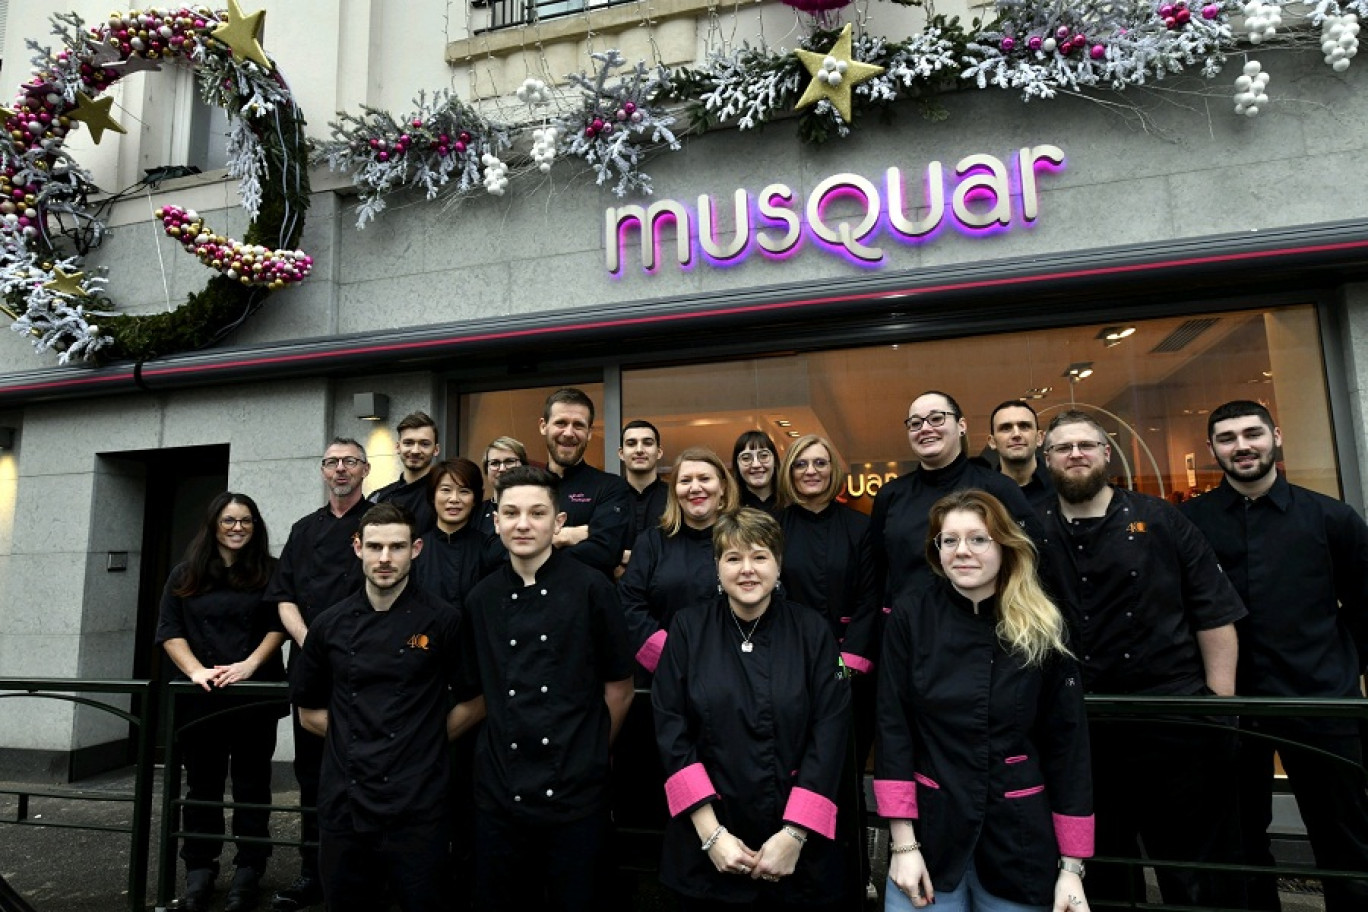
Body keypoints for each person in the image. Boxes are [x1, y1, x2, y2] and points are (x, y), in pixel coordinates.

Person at [1037, 409, 1246, 909]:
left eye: (1086, 445)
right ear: (1048, 461)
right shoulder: (1031, 529)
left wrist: (1220, 709)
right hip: (1081, 732)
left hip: (1171, 724)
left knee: (1189, 872)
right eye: (1063, 448)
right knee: (1103, 870)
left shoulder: (1162, 520)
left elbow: (1213, 614)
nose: (1075, 455)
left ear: (1107, 454)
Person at [1180, 400, 1368, 911]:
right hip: (1230, 708)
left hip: (1320, 703)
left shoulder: (1330, 517)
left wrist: (1345, 674)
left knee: (1346, 840)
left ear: (1276, 437)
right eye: (1227, 438)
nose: (1242, 446)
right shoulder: (1190, 524)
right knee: (1240, 843)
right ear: (1213, 448)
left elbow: (1364, 606)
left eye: (1252, 434)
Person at [875, 489, 1093, 912]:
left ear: (1004, 545)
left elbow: (1069, 749)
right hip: (929, 838)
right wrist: (903, 845)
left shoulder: (1044, 624)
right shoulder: (911, 615)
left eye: (978, 538)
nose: (962, 551)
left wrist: (1072, 868)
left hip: (1019, 841)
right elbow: (892, 728)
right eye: (949, 540)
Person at [653, 508, 852, 910]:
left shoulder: (813, 631)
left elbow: (830, 736)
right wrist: (712, 835)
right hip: (706, 847)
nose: (747, 570)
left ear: (779, 565)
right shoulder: (688, 629)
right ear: (717, 567)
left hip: (798, 853)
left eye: (759, 557)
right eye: (733, 558)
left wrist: (794, 835)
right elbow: (671, 731)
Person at [292, 503, 485, 912]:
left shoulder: (444, 621)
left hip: (420, 803)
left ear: (416, 549)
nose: (385, 558)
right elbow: (308, 714)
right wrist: (358, 739)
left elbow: (475, 701)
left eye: (396, 547)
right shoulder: (328, 625)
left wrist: (422, 742)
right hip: (346, 802)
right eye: (375, 546)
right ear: (357, 546)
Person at [464, 465, 636, 912]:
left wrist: (592, 751)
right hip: (501, 790)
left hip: (576, 791)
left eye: (537, 513)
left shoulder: (592, 588)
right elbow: (479, 690)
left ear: (557, 522)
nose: (523, 524)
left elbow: (619, 686)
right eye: (512, 513)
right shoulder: (480, 599)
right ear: (496, 520)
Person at [156, 492, 287, 912]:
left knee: (252, 786)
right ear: (214, 524)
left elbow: (278, 627)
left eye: (246, 521)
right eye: (229, 520)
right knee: (202, 787)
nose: (237, 528)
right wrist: (195, 671)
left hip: (253, 696)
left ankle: (249, 869)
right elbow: (170, 631)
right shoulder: (184, 573)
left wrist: (248, 666)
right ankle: (199, 871)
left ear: (256, 526)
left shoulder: (270, 572)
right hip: (201, 696)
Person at [265, 438, 371, 912]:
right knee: (313, 777)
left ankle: (371, 872)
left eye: (349, 461)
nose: (340, 469)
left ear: (365, 469)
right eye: (332, 462)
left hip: (369, 668)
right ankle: (314, 872)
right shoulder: (303, 530)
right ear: (323, 472)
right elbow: (283, 597)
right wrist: (313, 644)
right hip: (312, 669)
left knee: (369, 771)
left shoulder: (379, 524)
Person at [775, 434, 880, 904]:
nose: (811, 471)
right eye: (802, 464)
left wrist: (842, 670)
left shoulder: (861, 529)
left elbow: (870, 600)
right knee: (790, 774)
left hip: (846, 678)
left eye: (820, 463)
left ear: (834, 470)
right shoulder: (773, 526)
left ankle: (850, 880)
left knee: (842, 775)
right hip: (787, 674)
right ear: (790, 473)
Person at [870, 391, 1044, 610]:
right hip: (910, 630)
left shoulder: (998, 488)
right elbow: (876, 574)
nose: (925, 428)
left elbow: (1031, 559)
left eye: (936, 419)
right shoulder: (890, 495)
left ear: (962, 425)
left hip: (986, 626)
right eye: (915, 423)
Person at [620, 446, 740, 677]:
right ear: (675, 491)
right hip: (668, 670)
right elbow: (629, 605)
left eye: (705, 478)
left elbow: (769, 597)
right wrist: (670, 655)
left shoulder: (744, 540)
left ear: (723, 487)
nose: (695, 487)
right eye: (685, 480)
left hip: (735, 670)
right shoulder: (651, 542)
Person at [540, 388, 633, 578]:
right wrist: (574, 535)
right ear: (543, 426)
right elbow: (499, 550)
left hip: (586, 603)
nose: (568, 432)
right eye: (561, 423)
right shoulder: (523, 486)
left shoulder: (611, 487)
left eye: (578, 425)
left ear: (589, 432)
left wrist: (543, 545)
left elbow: (606, 552)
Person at [412, 457, 504, 607]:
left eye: (464, 491)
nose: (454, 499)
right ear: (432, 496)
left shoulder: (488, 548)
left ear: (475, 499)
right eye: (446, 490)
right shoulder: (416, 549)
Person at [369, 411, 441, 535]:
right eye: (408, 443)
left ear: (436, 450)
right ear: (398, 447)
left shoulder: (443, 496)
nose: (415, 450)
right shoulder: (379, 497)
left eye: (424, 444)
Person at [986, 399, 1055, 509]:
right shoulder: (983, 495)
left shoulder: (1061, 487)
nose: (1016, 434)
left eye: (1024, 426)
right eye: (1006, 428)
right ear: (992, 442)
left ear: (1039, 438)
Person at [620, 419, 669, 557]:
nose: (639, 450)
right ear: (621, 453)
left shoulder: (675, 497)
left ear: (659, 452)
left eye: (647, 443)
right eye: (631, 443)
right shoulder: (608, 496)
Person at [477, 436, 526, 537]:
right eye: (495, 463)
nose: (502, 469)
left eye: (510, 461)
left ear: (524, 466)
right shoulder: (476, 513)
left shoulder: (537, 507)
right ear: (486, 470)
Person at [731, 431, 780, 514]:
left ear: (775, 461)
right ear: (737, 465)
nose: (756, 465)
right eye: (746, 458)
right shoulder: (728, 510)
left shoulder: (794, 506)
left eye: (764, 456)